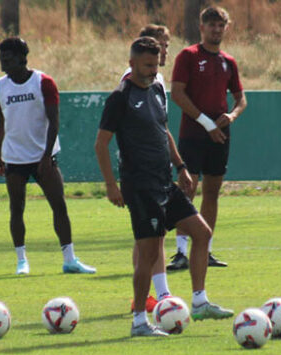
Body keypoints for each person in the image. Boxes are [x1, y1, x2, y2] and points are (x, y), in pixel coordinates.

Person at [95, 37, 234, 337]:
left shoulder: (158, 88)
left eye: (156, 65)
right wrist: (111, 185)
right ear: (131, 63)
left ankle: (199, 303)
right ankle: (138, 322)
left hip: (165, 182)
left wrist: (181, 166)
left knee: (202, 233)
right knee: (148, 254)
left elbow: (164, 130)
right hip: (140, 186)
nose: (152, 70)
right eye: (146, 65)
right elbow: (101, 144)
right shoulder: (120, 97)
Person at [0, 37, 95, 275]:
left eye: (7, 58)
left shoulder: (43, 82)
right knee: (16, 208)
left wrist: (46, 156)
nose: (3, 63)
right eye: (1, 58)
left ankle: (69, 259)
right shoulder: (0, 86)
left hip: (43, 156)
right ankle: (21, 261)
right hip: (14, 157)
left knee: (59, 205)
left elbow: (54, 120)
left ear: (22, 58)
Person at [169, 6, 247, 270]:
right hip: (193, 135)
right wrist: (206, 123)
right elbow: (177, 94)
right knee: (186, 191)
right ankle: (180, 253)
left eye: (221, 25)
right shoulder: (188, 56)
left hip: (221, 136)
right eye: (211, 25)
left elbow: (240, 99)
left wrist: (232, 116)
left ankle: (206, 251)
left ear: (226, 28)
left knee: (212, 192)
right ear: (201, 27)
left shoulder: (229, 61)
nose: (216, 29)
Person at [121, 24, 173, 313]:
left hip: (159, 170)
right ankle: (149, 297)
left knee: (153, 235)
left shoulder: (158, 80)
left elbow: (161, 127)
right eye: (161, 45)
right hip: (141, 174)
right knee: (147, 238)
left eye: (166, 45)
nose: (166, 50)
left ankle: (157, 295)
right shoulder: (130, 82)